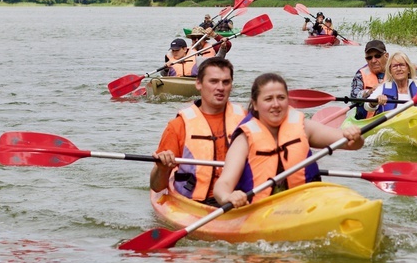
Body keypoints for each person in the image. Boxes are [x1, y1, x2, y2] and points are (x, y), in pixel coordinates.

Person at [213, 73, 364, 208]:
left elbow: (352, 145)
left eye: (281, 98)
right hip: (262, 211)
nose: (276, 104)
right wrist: (228, 196)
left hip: (306, 205)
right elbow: (223, 184)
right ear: (256, 104)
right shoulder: (244, 139)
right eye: (268, 99)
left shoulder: (304, 127)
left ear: (288, 100)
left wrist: (354, 136)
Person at [151, 57, 247, 206]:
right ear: (198, 84)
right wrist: (162, 168)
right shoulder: (178, 126)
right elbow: (157, 186)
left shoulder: (246, 119)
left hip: (241, 199)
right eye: (213, 81)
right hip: (197, 204)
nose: (220, 87)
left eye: (226, 82)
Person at [350, 39, 389, 119]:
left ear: (386, 56)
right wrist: (369, 92)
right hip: (366, 121)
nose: (373, 61)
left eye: (377, 56)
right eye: (369, 58)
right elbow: (353, 97)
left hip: (391, 117)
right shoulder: (360, 74)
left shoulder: (397, 70)